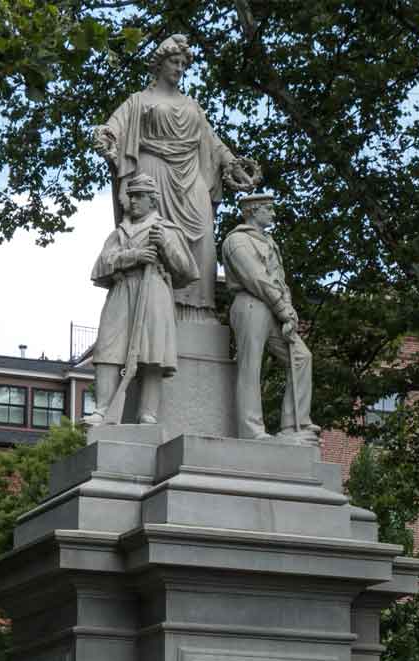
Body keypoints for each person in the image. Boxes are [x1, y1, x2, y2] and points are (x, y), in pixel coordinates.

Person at [94, 34, 257, 322]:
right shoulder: (139, 101)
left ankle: (199, 310)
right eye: (174, 61)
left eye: (184, 63)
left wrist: (233, 164)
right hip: (152, 174)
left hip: (191, 178)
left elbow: (213, 143)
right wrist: (106, 137)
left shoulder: (192, 106)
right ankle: (156, 305)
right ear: (159, 63)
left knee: (205, 236)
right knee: (155, 236)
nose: (180, 68)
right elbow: (114, 127)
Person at [87, 173, 199, 425]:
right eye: (131, 196)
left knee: (152, 352)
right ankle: (102, 409)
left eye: (139, 196)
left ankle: (148, 412)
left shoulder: (166, 230)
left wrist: (166, 247)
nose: (133, 201)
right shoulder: (120, 232)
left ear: (152, 200)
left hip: (154, 291)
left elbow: (188, 272)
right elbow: (101, 266)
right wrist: (135, 256)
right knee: (108, 348)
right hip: (122, 290)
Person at [222, 193, 319, 444]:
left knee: (301, 357)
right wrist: (281, 307)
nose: (273, 214)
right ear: (254, 210)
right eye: (269, 209)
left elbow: (279, 279)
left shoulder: (269, 241)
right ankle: (251, 430)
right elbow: (255, 277)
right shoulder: (237, 240)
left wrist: (288, 308)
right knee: (251, 365)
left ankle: (293, 424)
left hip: (275, 307)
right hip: (251, 303)